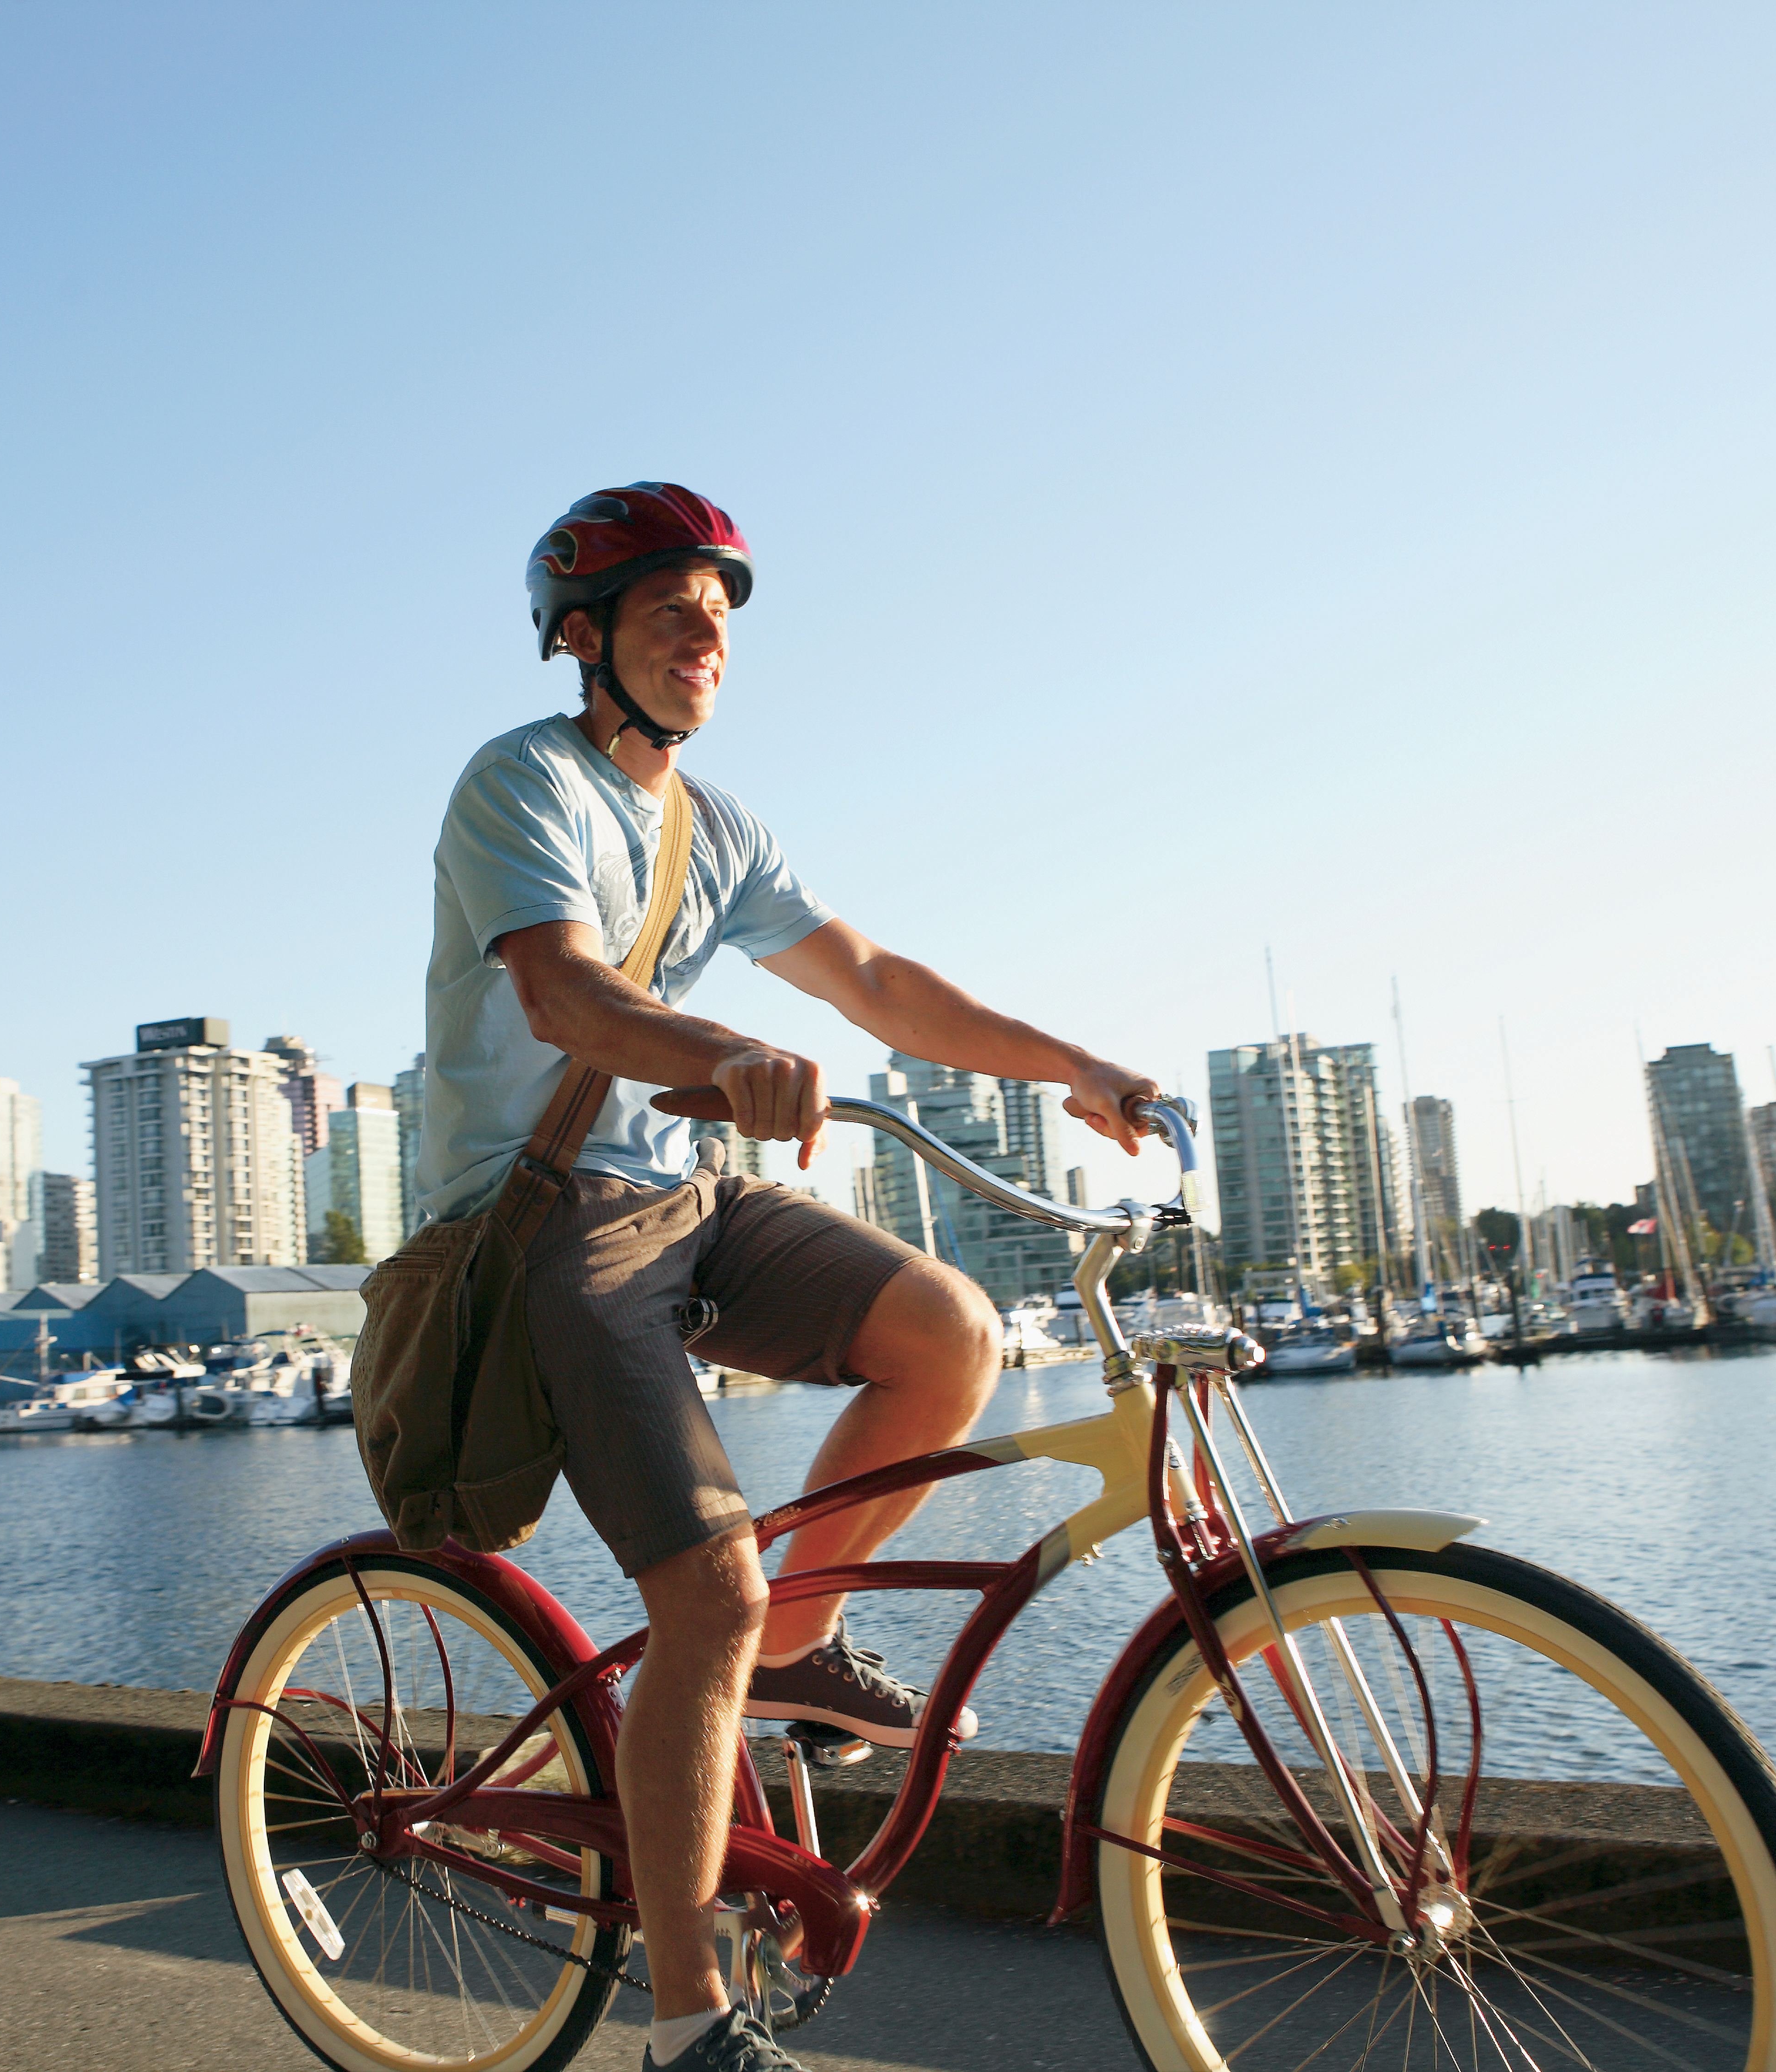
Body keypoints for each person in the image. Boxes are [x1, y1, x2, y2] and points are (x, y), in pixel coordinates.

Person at [415, 482, 1160, 2072]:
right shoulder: (518, 784)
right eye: (673, 610)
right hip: (543, 1212)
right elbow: (564, 994)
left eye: (724, 614)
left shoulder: (718, 826)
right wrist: (734, 1050)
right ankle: (686, 2019)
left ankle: (785, 1649)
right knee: (705, 1589)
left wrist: (1075, 1064)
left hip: (688, 1194)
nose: (709, 636)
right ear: (581, 634)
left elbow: (880, 983)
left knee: (947, 1329)